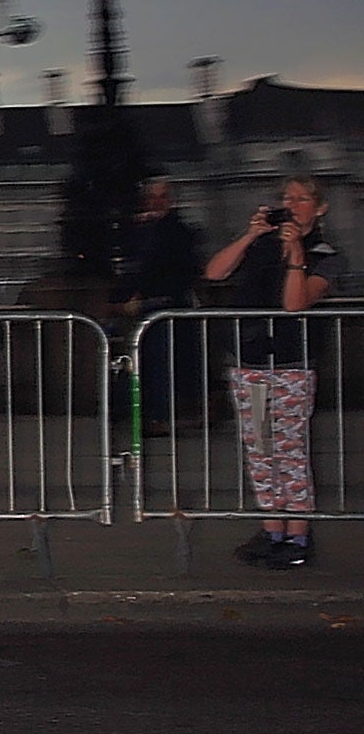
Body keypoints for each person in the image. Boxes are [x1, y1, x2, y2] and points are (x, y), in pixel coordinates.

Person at [203, 176, 344, 569]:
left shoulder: (325, 253)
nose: (292, 206)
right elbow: (215, 273)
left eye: (302, 200)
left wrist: (296, 252)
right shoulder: (262, 246)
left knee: (290, 453)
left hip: (291, 366)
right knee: (261, 451)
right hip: (250, 363)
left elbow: (295, 303)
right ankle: (272, 530)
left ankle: (298, 537)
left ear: (319, 208)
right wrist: (250, 236)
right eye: (287, 199)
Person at [110, 177, 206, 433]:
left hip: (168, 305)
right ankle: (148, 413)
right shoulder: (141, 229)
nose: (156, 202)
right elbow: (131, 267)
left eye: (162, 197)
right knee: (147, 363)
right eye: (152, 197)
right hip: (148, 306)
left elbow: (167, 266)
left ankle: (163, 414)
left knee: (166, 363)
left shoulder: (176, 230)